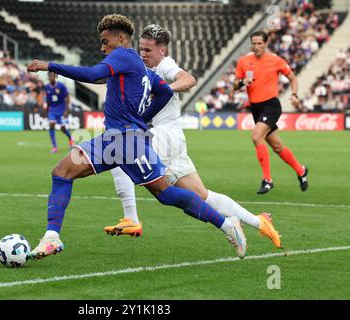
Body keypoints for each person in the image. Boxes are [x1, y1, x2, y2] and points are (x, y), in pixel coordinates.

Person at [26, 14, 247, 260]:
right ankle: (51, 238)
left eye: (105, 41)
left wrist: (50, 65)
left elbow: (91, 75)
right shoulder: (141, 69)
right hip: (113, 141)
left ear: (121, 38)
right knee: (62, 171)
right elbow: (162, 92)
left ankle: (228, 225)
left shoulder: (122, 55)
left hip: (128, 143)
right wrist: (144, 118)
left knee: (166, 194)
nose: (102, 47)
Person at [104, 24, 281, 249]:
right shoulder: (140, 68)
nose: (143, 54)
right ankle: (259, 222)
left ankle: (132, 218)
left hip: (165, 135)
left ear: (162, 51)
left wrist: (164, 89)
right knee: (202, 195)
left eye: (148, 50)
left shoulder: (165, 65)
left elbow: (188, 79)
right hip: (172, 140)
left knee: (118, 149)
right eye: (141, 49)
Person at [233, 31, 308, 194]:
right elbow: (234, 85)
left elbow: (293, 78)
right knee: (277, 146)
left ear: (266, 44)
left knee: (256, 136)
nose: (256, 46)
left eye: (260, 43)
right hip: (256, 108)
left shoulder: (276, 60)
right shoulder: (244, 61)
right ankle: (301, 171)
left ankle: (267, 180)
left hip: (271, 105)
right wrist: (241, 82)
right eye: (254, 43)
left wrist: (294, 95)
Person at [44, 71, 73, 153]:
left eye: (52, 76)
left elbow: (67, 98)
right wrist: (46, 111)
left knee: (63, 129)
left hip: (61, 110)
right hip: (52, 110)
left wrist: (66, 110)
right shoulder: (47, 87)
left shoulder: (61, 86)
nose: (51, 78)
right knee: (51, 125)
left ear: (55, 77)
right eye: (50, 76)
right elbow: (48, 100)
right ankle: (54, 147)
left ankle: (71, 139)